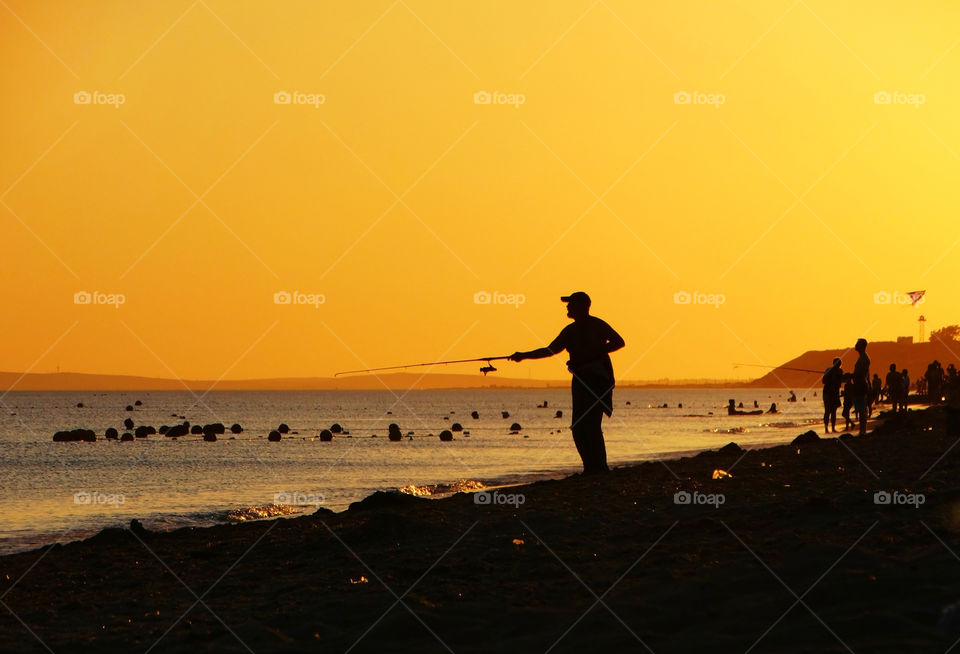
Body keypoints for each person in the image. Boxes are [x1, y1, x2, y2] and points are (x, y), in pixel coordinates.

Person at [510, 292, 624, 475]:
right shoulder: (569, 331)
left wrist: (591, 354)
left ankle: (600, 468)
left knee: (592, 425)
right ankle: (591, 468)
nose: (567, 307)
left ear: (582, 306)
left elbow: (619, 342)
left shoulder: (597, 324)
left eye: (571, 304)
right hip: (580, 381)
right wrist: (523, 356)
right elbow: (550, 350)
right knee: (579, 427)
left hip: (598, 381)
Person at [852, 338, 870, 435]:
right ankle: (862, 430)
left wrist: (850, 375)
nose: (855, 345)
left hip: (860, 384)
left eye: (857, 343)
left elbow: (860, 374)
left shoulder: (864, 358)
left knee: (862, 408)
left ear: (861, 346)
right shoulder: (863, 357)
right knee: (860, 408)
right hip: (860, 384)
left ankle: (863, 430)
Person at [822, 358, 843, 434]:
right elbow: (823, 381)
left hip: (835, 393)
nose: (838, 366)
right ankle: (826, 429)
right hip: (827, 392)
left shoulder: (840, 371)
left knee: (833, 411)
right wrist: (829, 375)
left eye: (839, 364)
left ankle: (833, 428)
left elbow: (840, 382)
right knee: (827, 411)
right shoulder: (828, 370)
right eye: (837, 364)